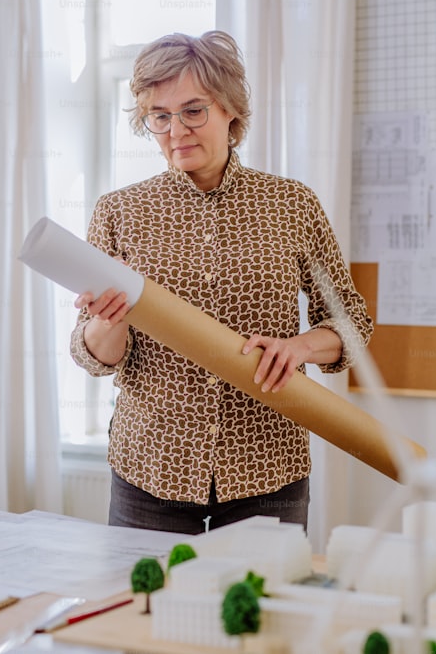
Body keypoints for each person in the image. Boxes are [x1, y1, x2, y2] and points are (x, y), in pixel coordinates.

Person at [70, 30, 373, 536]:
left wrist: (300, 347)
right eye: (159, 117)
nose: (176, 131)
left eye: (193, 111)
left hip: (267, 464)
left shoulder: (291, 204)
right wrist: (108, 324)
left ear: (231, 109)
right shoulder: (119, 213)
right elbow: (93, 354)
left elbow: (351, 322)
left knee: (260, 614)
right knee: (141, 612)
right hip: (152, 467)